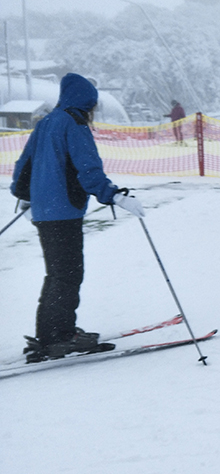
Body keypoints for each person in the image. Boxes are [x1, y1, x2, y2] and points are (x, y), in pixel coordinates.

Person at [10, 73, 144, 363]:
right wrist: (115, 195)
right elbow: (88, 170)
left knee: (57, 274)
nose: (93, 111)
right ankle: (60, 337)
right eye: (93, 105)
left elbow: (23, 167)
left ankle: (51, 334)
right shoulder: (74, 124)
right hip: (64, 211)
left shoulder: (45, 122)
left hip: (44, 213)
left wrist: (25, 197)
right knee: (69, 275)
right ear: (86, 102)